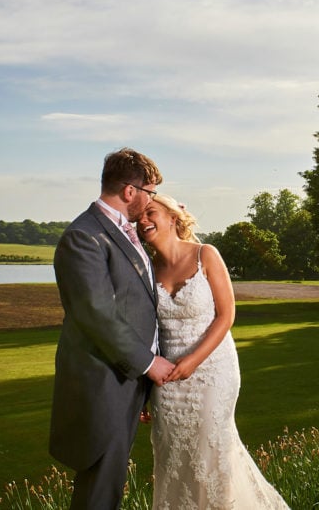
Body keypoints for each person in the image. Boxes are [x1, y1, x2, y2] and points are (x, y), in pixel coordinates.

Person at [138, 194, 289, 509]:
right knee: (172, 456)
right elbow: (144, 335)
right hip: (168, 382)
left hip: (212, 371)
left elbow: (226, 315)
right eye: (138, 216)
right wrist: (142, 392)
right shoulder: (147, 271)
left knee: (211, 453)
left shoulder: (205, 254)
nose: (143, 220)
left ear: (173, 217)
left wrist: (192, 362)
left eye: (150, 212)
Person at [49, 148, 176, 510]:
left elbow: (137, 306)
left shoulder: (123, 233)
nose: (151, 200)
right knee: (98, 492)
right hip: (102, 384)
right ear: (130, 191)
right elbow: (95, 313)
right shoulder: (84, 236)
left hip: (126, 380)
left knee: (110, 487)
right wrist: (148, 364)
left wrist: (142, 385)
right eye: (149, 192)